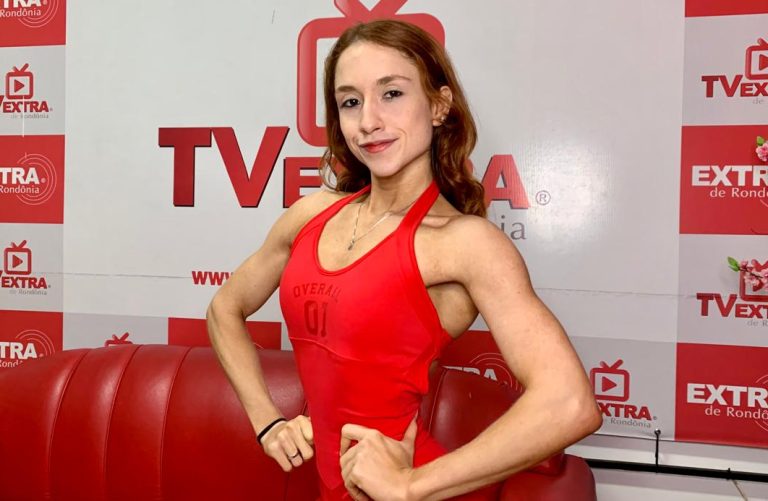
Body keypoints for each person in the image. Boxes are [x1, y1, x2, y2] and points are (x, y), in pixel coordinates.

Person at [207, 19, 601, 501]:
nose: (368, 120)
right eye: (350, 102)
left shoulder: (465, 243)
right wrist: (267, 421)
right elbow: (224, 309)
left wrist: (412, 485)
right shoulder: (310, 216)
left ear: (438, 105)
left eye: (391, 94)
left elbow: (570, 402)